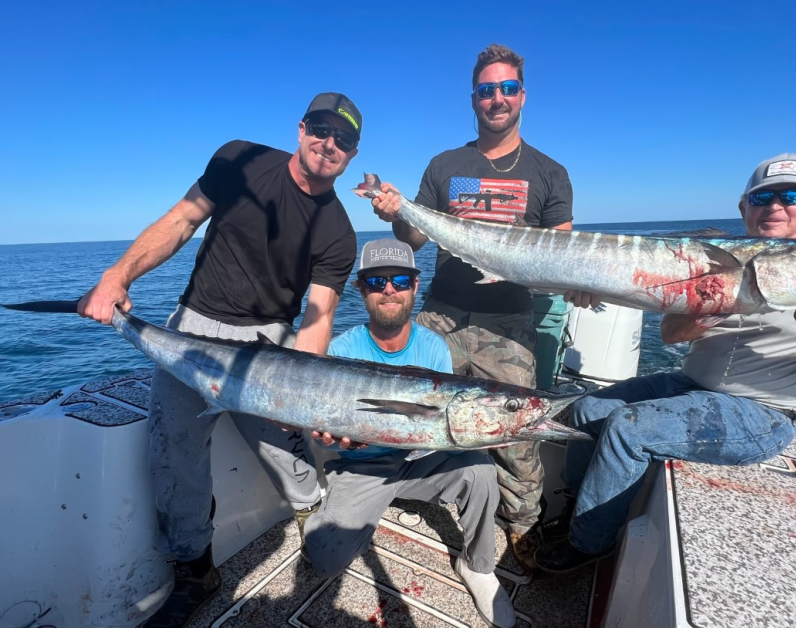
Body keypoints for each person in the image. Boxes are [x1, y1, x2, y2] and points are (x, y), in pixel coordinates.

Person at [77, 93, 362, 626]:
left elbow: (318, 317)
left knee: (287, 448)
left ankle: (310, 512)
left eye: (343, 140)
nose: (329, 144)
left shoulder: (339, 232)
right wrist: (117, 277)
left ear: (352, 154)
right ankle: (195, 568)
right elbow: (182, 221)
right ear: (301, 128)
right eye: (322, 129)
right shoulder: (241, 159)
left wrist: (300, 396)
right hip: (193, 330)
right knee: (171, 455)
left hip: (269, 346)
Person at [534, 153, 796, 573]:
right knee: (587, 408)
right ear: (744, 207)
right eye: (763, 197)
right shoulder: (714, 260)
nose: (776, 206)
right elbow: (670, 335)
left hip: (765, 411)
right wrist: (708, 308)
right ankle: (576, 506)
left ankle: (588, 545)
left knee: (629, 429)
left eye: (793, 195)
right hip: (690, 385)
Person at [369, 43, 594, 571]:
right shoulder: (445, 165)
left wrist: (583, 283)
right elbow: (414, 238)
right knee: (403, 409)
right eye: (487, 90)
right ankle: (391, 491)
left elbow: (561, 253)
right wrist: (395, 213)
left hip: (508, 319)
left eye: (507, 89)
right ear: (474, 98)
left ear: (522, 96)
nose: (497, 98)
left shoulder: (549, 172)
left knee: (518, 433)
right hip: (442, 310)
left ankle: (520, 526)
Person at [305, 238, 517, 628]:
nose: (389, 290)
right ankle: (358, 510)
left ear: (415, 287)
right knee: (324, 561)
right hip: (360, 467)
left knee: (481, 470)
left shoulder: (434, 346)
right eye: (376, 282)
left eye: (400, 280)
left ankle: (478, 567)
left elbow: (442, 426)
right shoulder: (342, 349)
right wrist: (327, 437)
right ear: (361, 290)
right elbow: (325, 429)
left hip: (417, 461)